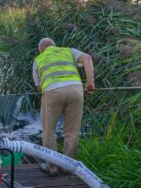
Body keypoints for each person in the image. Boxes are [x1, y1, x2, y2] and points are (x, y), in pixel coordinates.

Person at [32, 38, 95, 175]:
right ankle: (67, 166)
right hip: (76, 90)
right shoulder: (69, 51)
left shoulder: (38, 59)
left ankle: (52, 166)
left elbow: (39, 87)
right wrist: (90, 82)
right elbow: (88, 58)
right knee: (72, 131)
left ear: (41, 49)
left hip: (52, 92)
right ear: (54, 45)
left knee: (49, 130)